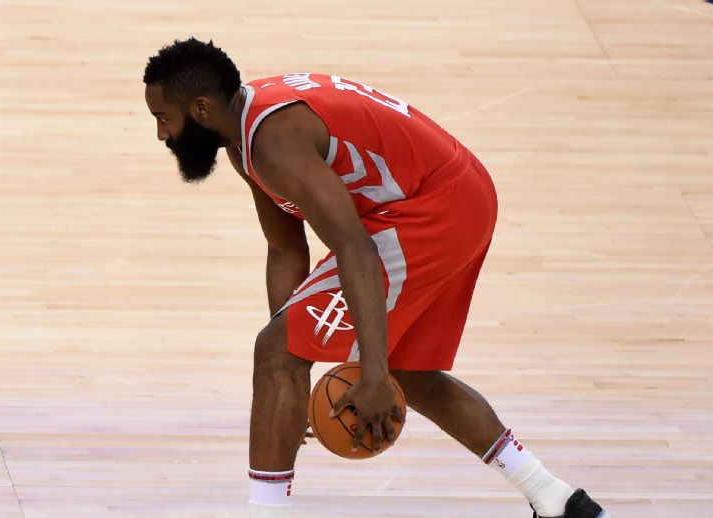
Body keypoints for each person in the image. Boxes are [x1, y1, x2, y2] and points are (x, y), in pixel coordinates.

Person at [141, 38, 609, 518]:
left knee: (295, 354)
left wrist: (322, 365)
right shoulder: (245, 136)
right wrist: (291, 368)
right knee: (395, 366)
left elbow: (355, 250)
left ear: (201, 108)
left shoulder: (274, 139)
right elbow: (286, 249)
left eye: (164, 118)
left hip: (432, 209)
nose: (161, 134)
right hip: (454, 195)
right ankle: (556, 499)